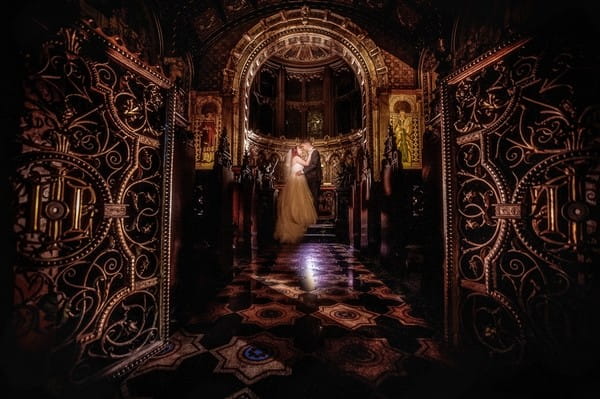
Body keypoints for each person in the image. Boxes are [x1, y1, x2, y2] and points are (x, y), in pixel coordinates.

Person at [274, 145, 318, 244]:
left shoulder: (296, 158)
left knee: (297, 201)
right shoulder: (296, 158)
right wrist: (310, 153)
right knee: (298, 200)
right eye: (299, 149)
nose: (301, 150)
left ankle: (296, 218)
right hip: (297, 180)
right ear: (295, 151)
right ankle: (298, 219)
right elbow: (307, 163)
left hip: (295, 179)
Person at [299, 139, 322, 213]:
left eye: (303, 146)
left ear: (307, 144)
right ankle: (310, 214)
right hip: (309, 178)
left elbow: (314, 165)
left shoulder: (315, 152)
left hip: (314, 179)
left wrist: (303, 171)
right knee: (309, 197)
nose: (303, 148)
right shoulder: (309, 153)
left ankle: (315, 216)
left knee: (314, 197)